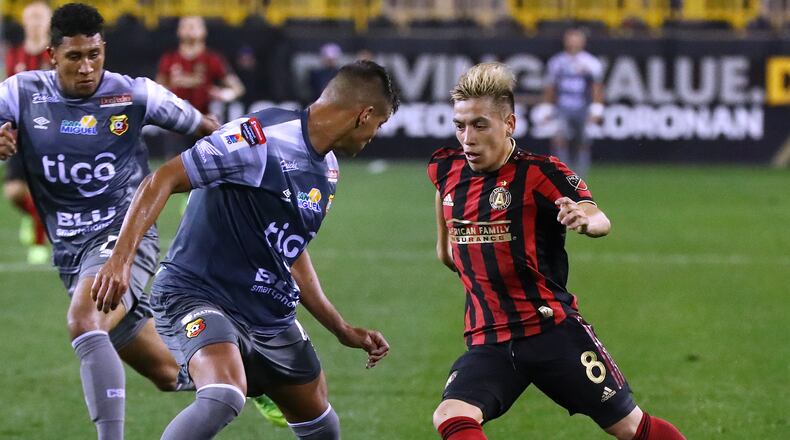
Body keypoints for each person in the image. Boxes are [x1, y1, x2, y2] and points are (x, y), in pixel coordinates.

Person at [91, 59, 399, 439]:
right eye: (379, 124)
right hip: (198, 293)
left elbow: (289, 252)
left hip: (268, 313)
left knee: (324, 427)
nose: (375, 135)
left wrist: (341, 328)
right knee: (223, 395)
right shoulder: (260, 139)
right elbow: (162, 179)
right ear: (364, 115)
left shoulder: (328, 170)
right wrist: (120, 261)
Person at [427, 63, 684, 440]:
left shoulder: (541, 172)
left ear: (509, 124)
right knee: (451, 414)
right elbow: (447, 252)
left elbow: (598, 217)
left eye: (480, 125)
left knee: (632, 427)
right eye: (460, 125)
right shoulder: (444, 169)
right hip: (490, 338)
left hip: (551, 332)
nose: (468, 138)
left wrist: (584, 220)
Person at [0, 4, 221, 439]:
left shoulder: (134, 95)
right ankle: (253, 374)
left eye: (94, 55)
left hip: (123, 237)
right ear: (52, 56)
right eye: (74, 57)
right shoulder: (21, 93)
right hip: (70, 251)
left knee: (85, 321)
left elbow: (208, 128)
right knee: (168, 372)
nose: (87, 67)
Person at [3, 0, 52, 264]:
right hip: (18, 134)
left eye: (40, 17)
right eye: (31, 17)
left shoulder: (55, 55)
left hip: (47, 136)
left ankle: (38, 243)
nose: (35, 22)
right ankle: (32, 217)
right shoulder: (13, 55)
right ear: (24, 21)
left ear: (49, 21)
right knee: (13, 192)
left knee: (41, 190)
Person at [155, 16, 244, 158]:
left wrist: (224, 94)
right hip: (177, 124)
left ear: (204, 31)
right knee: (175, 164)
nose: (190, 29)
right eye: (185, 25)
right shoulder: (169, 59)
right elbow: (157, 89)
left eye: (194, 26)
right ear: (178, 31)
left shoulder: (212, 59)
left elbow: (237, 88)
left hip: (205, 123)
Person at [542, 28, 604, 178]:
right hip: (562, 107)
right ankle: (562, 176)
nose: (573, 43)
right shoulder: (557, 62)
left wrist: (596, 109)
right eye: (571, 39)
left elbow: (597, 87)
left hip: (583, 108)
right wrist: (547, 108)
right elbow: (550, 87)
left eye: (576, 39)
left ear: (583, 42)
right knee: (560, 140)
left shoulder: (591, 62)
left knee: (582, 142)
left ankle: (580, 177)